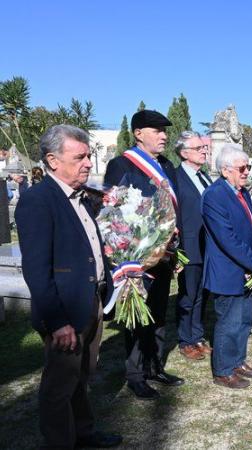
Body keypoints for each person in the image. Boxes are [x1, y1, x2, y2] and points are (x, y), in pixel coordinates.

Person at [15, 125, 122, 449]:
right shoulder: (38, 200)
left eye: (89, 155)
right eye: (80, 157)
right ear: (52, 160)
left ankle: (84, 433)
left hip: (91, 303)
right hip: (64, 313)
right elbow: (37, 270)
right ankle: (62, 442)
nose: (89, 162)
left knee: (83, 376)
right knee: (59, 387)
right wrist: (58, 322)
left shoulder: (85, 198)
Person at [104, 109, 183, 400]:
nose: (164, 136)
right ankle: (135, 374)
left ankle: (155, 366)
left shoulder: (167, 166)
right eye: (157, 130)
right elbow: (115, 213)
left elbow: (175, 210)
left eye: (165, 131)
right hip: (137, 258)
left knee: (160, 314)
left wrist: (176, 249)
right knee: (137, 318)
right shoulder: (121, 164)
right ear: (139, 133)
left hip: (164, 255)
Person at [202, 145, 252, 389]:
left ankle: (238, 362)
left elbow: (248, 232)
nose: (246, 172)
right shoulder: (215, 195)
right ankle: (223, 370)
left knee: (243, 321)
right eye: (242, 168)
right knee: (229, 323)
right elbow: (227, 239)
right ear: (225, 170)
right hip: (227, 270)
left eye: (248, 167)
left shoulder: (240, 192)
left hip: (245, 269)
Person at [174, 131, 212, 360]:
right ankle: (185, 339)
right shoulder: (176, 178)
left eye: (204, 147)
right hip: (188, 246)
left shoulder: (205, 177)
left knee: (202, 294)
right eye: (199, 148)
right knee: (188, 295)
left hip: (208, 245)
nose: (204, 151)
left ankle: (197, 336)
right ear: (184, 153)